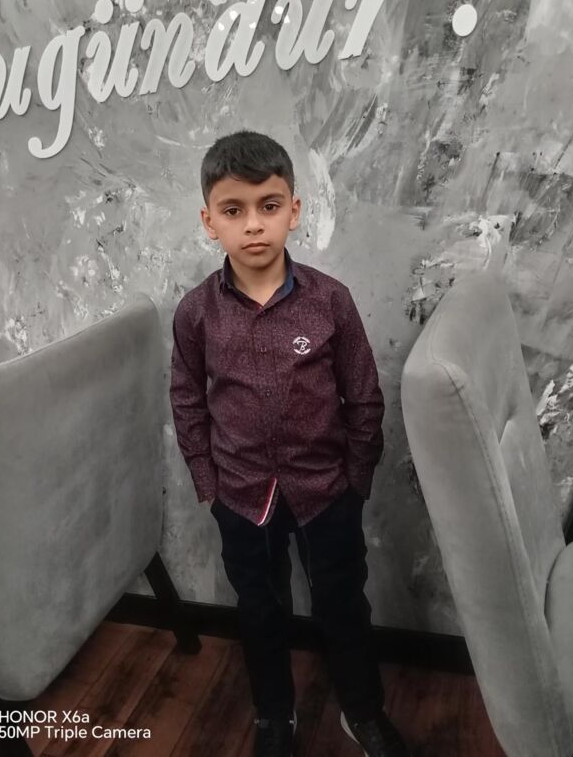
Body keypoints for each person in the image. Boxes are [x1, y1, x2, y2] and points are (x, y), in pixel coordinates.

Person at [169, 131, 410, 757]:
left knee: (342, 604)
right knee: (259, 609)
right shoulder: (196, 313)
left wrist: (356, 482)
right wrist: (208, 484)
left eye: (269, 205)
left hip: (326, 492)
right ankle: (274, 716)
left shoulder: (331, 301)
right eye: (233, 210)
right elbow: (187, 399)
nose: (253, 224)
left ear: (294, 211)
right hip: (240, 495)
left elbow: (364, 396)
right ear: (209, 221)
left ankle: (363, 712)